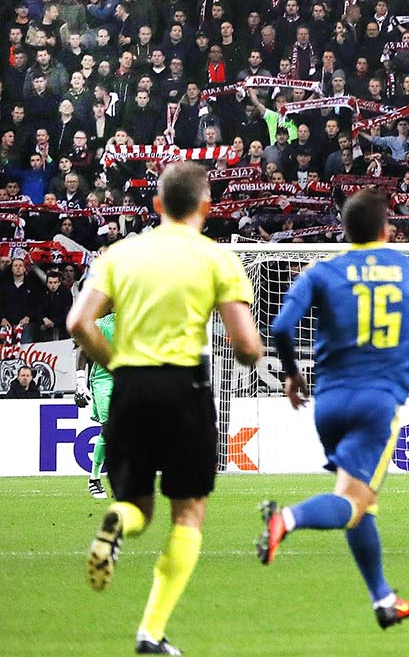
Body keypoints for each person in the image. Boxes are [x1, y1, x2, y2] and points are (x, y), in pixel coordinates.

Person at [66, 162, 265, 656]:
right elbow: (244, 344)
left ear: (156, 206)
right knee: (188, 513)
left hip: (130, 389)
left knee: (136, 505)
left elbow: (78, 323)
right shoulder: (216, 258)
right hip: (184, 390)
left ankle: (117, 521)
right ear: (206, 207)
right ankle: (151, 632)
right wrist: (253, 349)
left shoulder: (121, 254)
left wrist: (121, 367)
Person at [255, 190, 409, 630]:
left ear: (344, 230)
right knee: (354, 501)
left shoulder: (324, 270)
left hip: (328, 402)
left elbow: (282, 327)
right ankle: (287, 519)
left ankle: (383, 598)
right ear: (386, 229)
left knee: (360, 501)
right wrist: (400, 359)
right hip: (376, 403)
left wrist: (291, 374)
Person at [74, 311, 117, 498]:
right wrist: (80, 383)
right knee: (109, 427)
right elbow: (83, 351)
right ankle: (94, 479)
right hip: (104, 380)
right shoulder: (102, 324)